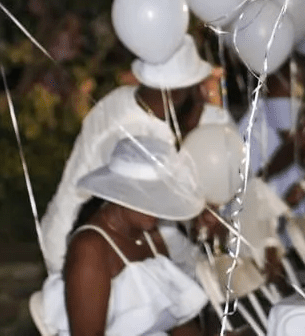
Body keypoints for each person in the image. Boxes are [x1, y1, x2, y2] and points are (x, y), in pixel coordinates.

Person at [40, 34, 213, 274]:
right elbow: (155, 210)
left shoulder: (123, 100)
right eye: (195, 87)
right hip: (97, 250)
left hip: (81, 234)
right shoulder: (139, 133)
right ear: (177, 93)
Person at [39, 135, 207, 336]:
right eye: (149, 195)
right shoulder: (90, 249)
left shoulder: (151, 237)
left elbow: (174, 320)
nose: (159, 206)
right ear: (122, 192)